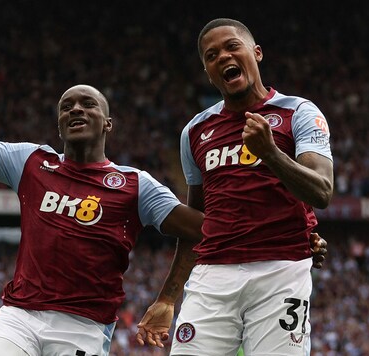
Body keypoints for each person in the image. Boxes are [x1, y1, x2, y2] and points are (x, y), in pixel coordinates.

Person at [0, 16, 328, 356]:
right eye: (66, 106)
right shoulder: (29, 162)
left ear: (109, 122)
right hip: (19, 316)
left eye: (87, 104)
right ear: (59, 122)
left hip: (82, 326)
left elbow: (206, 225)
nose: (76, 109)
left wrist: (294, 229)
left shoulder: (136, 186)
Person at [137, 18, 334, 355]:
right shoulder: (195, 131)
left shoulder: (298, 112)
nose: (223, 57)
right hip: (212, 275)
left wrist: (270, 153)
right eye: (211, 55)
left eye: (232, 46)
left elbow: (322, 191)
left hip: (281, 270)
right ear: (208, 72)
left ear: (256, 53)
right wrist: (168, 297)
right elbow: (196, 221)